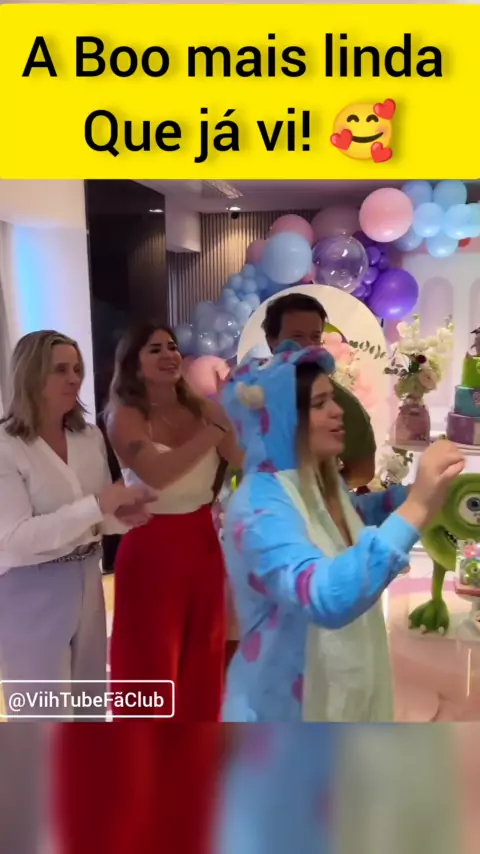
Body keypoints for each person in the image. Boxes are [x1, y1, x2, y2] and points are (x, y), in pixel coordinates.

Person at [220, 343, 464, 722]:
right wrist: (417, 507)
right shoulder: (259, 507)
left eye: (332, 399)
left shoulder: (316, 483)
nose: (338, 411)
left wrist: (437, 491)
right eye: (319, 404)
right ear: (283, 418)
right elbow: (323, 595)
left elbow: (354, 519)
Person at [0, 330, 150, 720]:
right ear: (31, 374)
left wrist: (122, 519)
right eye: (61, 370)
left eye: (77, 369)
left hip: (88, 576)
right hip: (30, 588)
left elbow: (95, 517)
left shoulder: (88, 436)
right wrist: (99, 506)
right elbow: (14, 539)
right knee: (40, 715)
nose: (74, 379)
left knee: (90, 705)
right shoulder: (5, 446)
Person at [106, 322, 243, 722]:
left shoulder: (205, 410)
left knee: (203, 659)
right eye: (155, 349)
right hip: (151, 549)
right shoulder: (124, 416)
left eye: (171, 347)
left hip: (202, 545)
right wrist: (214, 430)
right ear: (133, 364)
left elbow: (244, 460)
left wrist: (242, 413)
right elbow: (158, 474)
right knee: (150, 664)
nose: (169, 355)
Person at [262, 292, 376, 488]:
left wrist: (318, 493)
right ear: (272, 340)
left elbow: (363, 471)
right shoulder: (250, 392)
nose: (308, 346)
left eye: (315, 337)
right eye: (297, 337)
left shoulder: (341, 402)